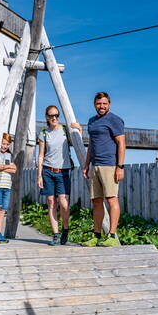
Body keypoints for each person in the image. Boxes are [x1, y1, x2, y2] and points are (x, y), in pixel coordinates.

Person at [81, 92, 126, 247]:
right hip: (95, 166)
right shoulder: (91, 122)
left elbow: (121, 143)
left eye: (104, 104)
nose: (101, 106)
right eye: (99, 104)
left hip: (110, 165)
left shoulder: (115, 120)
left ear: (109, 104)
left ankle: (112, 236)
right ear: (95, 104)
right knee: (96, 202)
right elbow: (91, 145)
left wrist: (120, 167)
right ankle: (97, 236)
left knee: (112, 199)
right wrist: (86, 165)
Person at [37, 105, 82, 246]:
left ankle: (66, 229)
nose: (54, 118)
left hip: (63, 172)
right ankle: (55, 234)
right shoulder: (44, 133)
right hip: (48, 171)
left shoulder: (65, 131)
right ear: (47, 117)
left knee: (63, 204)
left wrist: (79, 130)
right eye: (51, 116)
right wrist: (39, 175)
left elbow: (77, 142)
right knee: (51, 202)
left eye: (56, 115)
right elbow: (40, 156)